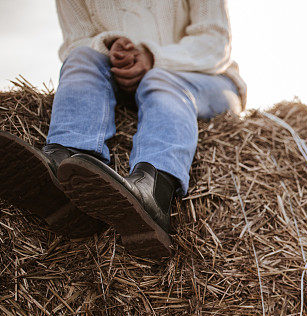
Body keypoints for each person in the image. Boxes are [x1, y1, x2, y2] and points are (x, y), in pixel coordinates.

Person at [0, 0, 245, 258]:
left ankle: (153, 193)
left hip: (207, 77)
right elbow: (77, 41)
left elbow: (215, 43)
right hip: (122, 76)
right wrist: (109, 46)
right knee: (82, 57)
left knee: (159, 79)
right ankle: (64, 167)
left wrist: (152, 57)